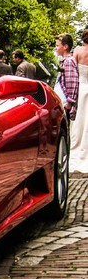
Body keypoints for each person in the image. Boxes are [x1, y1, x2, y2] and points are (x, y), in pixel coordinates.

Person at [70, 29, 88, 173]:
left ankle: (76, 146)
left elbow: (72, 67)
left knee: (79, 119)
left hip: (81, 87)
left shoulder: (78, 50)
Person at [54, 33, 79, 121]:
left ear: (65, 47)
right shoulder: (65, 61)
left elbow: (72, 82)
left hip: (66, 103)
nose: (55, 48)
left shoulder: (68, 61)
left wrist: (70, 101)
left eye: (57, 45)